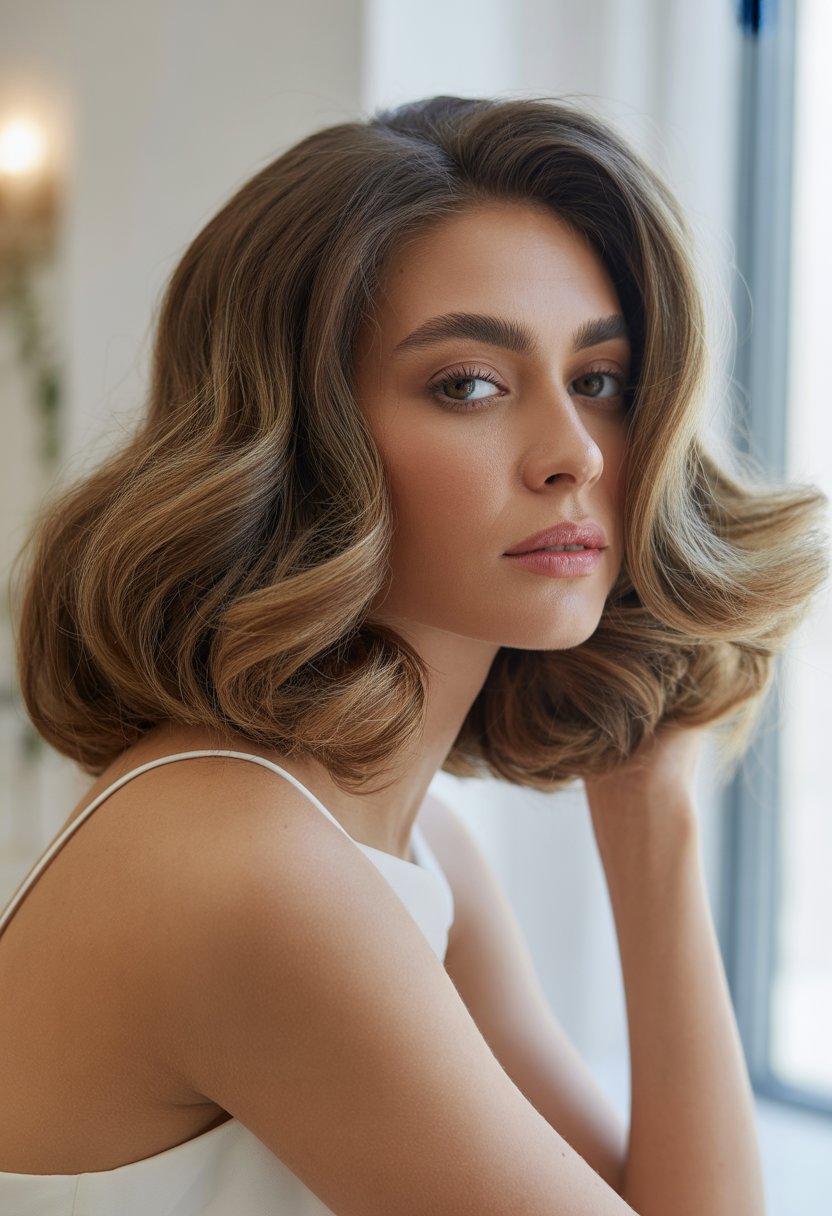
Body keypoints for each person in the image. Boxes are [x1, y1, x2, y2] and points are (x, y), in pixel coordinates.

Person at [0, 94, 825, 1215]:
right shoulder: (245, 868)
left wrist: (653, 815)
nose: (572, 452)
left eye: (601, 381)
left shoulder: (402, 842)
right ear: (298, 435)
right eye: (468, 385)